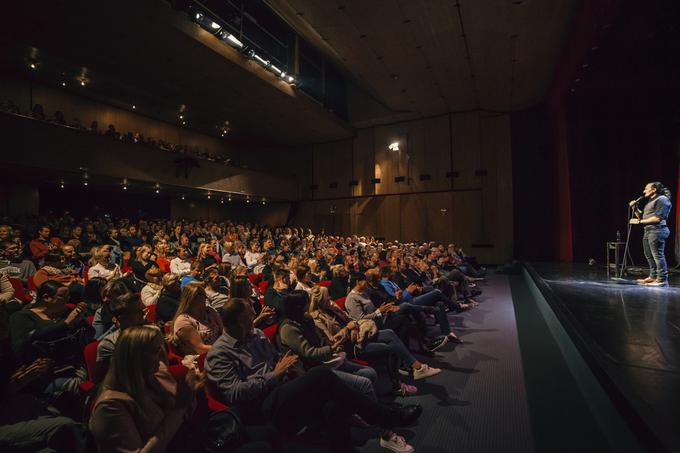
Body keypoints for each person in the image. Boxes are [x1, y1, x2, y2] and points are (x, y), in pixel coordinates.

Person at [204, 297, 421, 453]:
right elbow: (234, 394)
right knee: (321, 375)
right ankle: (384, 416)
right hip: (260, 407)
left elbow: (279, 358)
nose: (256, 316)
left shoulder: (255, 335)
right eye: (251, 314)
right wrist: (274, 374)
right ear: (241, 320)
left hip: (283, 389)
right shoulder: (219, 353)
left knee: (333, 404)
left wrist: (284, 366)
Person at [89, 326, 204, 453]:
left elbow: (183, 415)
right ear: (136, 358)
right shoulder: (110, 405)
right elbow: (177, 412)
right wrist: (180, 406)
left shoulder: (157, 374)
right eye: (155, 351)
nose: (162, 356)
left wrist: (191, 391)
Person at [309, 286, 440, 392]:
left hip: (359, 334)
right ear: (321, 300)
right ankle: (398, 385)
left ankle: (417, 368)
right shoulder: (317, 318)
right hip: (351, 346)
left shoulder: (332, 308)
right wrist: (348, 329)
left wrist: (353, 326)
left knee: (391, 332)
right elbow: (332, 342)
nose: (330, 298)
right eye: (327, 296)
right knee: (390, 348)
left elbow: (352, 320)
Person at [630, 181, 673, 286]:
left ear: (654, 189)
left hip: (657, 230)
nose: (644, 191)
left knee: (657, 255)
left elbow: (657, 218)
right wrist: (634, 207)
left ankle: (662, 279)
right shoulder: (650, 201)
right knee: (649, 255)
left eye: (646, 188)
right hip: (648, 230)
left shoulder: (662, 199)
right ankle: (653, 276)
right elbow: (642, 216)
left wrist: (639, 222)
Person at [96, 293, 147, 373]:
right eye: (138, 311)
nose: (143, 314)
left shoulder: (148, 332)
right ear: (122, 318)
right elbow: (125, 374)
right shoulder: (109, 344)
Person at [172, 282, 222, 355]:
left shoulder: (210, 311)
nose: (205, 297)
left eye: (203, 294)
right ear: (190, 299)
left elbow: (223, 332)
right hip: (201, 358)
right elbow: (200, 348)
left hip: (219, 351)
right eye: (200, 294)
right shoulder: (183, 321)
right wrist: (226, 348)